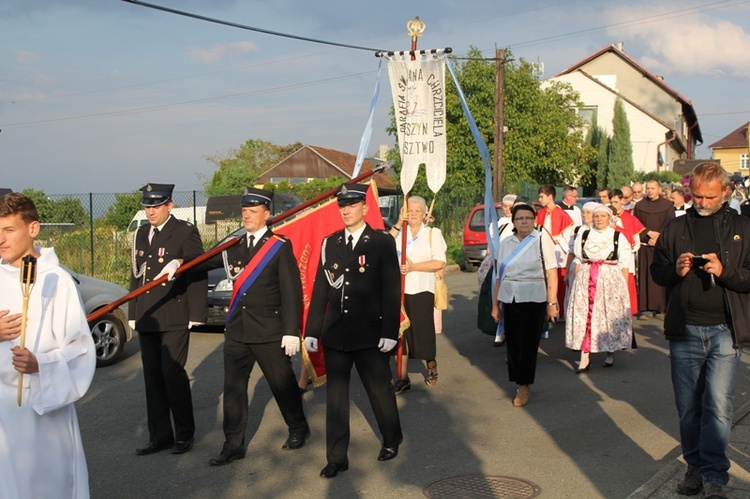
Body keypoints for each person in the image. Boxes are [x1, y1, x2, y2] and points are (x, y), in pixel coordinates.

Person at [651, 162, 750, 498]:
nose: (702, 202)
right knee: (689, 406)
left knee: (718, 406)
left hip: (725, 330)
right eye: (697, 195)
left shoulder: (743, 227)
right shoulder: (675, 228)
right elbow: (657, 272)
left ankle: (715, 476)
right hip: (685, 330)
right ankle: (694, 466)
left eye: (710, 196)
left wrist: (724, 272)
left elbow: (748, 277)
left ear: (726, 192)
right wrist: (675, 270)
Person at [197, 188, 310, 467]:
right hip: (237, 331)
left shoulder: (279, 247)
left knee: (282, 385)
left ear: (267, 214)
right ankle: (233, 445)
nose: (246, 214)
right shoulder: (233, 246)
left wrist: (290, 331)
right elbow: (200, 263)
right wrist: (178, 262)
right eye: (244, 210)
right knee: (234, 390)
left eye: (253, 210)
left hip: (269, 331)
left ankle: (298, 427)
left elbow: (291, 291)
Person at [0, 192, 96, 498]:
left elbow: (80, 349)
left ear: (33, 229)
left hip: (41, 409)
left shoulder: (57, 281)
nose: (0, 239)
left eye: (8, 230)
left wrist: (40, 363)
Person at [304, 183, 402, 479]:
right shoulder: (329, 243)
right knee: (335, 399)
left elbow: (391, 289)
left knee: (379, 391)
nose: (346, 210)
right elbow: (321, 288)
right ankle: (336, 457)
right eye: (342, 206)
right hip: (336, 333)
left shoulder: (381, 242)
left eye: (352, 205)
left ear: (365, 208)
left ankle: (391, 438)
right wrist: (312, 329)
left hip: (370, 333)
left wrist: (389, 331)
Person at [129, 183, 207, 456]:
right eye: (147, 206)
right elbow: (136, 274)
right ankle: (160, 435)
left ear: (169, 206)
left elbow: (198, 269)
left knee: (171, 374)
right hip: (148, 314)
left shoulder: (184, 231)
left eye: (156, 205)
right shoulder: (140, 233)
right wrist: (132, 312)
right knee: (152, 377)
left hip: (174, 313)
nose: (150, 211)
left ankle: (184, 434)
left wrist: (197, 313)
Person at [491, 204, 559, 407]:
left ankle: (524, 385)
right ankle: (518, 379)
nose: (524, 221)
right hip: (510, 296)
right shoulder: (506, 243)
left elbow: (551, 272)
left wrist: (552, 303)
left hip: (534, 297)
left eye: (528, 218)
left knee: (528, 344)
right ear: (513, 221)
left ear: (535, 220)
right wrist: (495, 305)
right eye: (520, 218)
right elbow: (499, 276)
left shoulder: (541, 239)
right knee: (513, 343)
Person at [565, 204, 633, 372]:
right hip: (587, 277)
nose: (599, 219)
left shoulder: (618, 236)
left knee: (608, 316)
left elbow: (624, 264)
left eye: (603, 216)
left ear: (609, 218)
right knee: (584, 315)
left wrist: (623, 290)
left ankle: (609, 351)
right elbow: (579, 259)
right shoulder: (584, 234)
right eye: (596, 216)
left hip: (609, 279)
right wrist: (575, 280)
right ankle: (584, 355)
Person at [391, 196, 447, 391]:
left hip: (422, 289)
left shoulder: (432, 234)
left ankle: (430, 362)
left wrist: (414, 267)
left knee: (422, 332)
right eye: (409, 210)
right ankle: (402, 377)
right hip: (398, 291)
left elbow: (439, 262)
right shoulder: (400, 233)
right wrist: (398, 223)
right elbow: (383, 245)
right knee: (401, 333)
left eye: (417, 211)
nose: (413, 214)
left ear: (425, 214)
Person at [632, 180, 674, 319]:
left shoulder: (668, 205)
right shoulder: (640, 206)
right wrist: (648, 234)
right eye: (648, 188)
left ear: (659, 189)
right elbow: (636, 224)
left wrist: (658, 239)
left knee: (661, 275)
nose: (650, 191)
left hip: (661, 246)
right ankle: (646, 308)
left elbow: (670, 224)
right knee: (646, 276)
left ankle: (662, 308)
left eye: (652, 188)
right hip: (645, 246)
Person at [536, 185, 573, 320]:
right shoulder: (540, 214)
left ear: (550, 196)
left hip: (559, 254)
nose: (539, 199)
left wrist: (558, 240)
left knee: (559, 282)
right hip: (543, 252)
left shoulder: (562, 214)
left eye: (542, 196)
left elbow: (569, 239)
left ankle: (560, 311)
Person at [610, 189, 644, 318]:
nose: (613, 204)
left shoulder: (630, 218)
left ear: (622, 201)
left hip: (625, 258)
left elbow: (636, 242)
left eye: (616, 202)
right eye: (611, 201)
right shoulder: (605, 217)